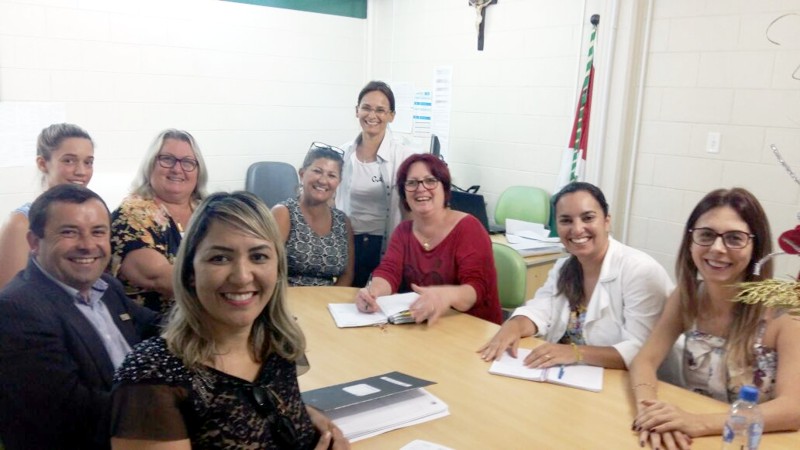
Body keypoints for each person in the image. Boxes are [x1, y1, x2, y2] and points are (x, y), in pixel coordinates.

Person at [110, 192, 349, 450]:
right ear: (191, 272)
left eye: (258, 256)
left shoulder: (276, 341)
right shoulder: (153, 378)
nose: (242, 276)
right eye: (220, 258)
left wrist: (307, 417)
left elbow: (261, 411)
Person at [630, 188, 800, 450]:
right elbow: (645, 359)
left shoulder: (785, 310)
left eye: (735, 238)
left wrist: (699, 422)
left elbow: (792, 409)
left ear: (756, 246)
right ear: (691, 241)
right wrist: (648, 412)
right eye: (706, 235)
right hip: (698, 438)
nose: (717, 248)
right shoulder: (687, 296)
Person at [0, 184, 159, 450]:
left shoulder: (107, 287)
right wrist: (177, 400)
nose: (88, 246)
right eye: (69, 232)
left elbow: (157, 327)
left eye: (98, 232)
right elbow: (75, 413)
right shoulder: (16, 310)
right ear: (34, 242)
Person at [478, 182, 673, 370]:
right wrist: (513, 326)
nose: (577, 229)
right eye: (566, 220)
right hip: (568, 375)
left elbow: (641, 351)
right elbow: (541, 310)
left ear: (606, 221)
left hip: (619, 382)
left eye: (588, 218)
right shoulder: (565, 266)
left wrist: (575, 353)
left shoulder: (640, 271)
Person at [354, 153, 503, 325]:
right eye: (411, 183)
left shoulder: (469, 229)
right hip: (427, 329)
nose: (421, 188)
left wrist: (446, 296)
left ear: (445, 188)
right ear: (404, 193)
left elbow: (477, 289)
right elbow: (389, 271)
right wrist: (373, 293)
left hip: (473, 330)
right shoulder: (403, 231)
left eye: (430, 181)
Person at [110, 129, 208, 315]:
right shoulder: (131, 214)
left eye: (188, 162)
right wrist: (228, 287)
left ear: (198, 171)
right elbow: (158, 277)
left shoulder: (210, 211)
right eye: (167, 159)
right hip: (155, 328)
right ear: (150, 165)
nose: (177, 169)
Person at [336, 81, 417, 287]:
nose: (372, 115)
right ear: (357, 111)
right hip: (349, 244)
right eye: (366, 108)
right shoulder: (343, 153)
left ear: (391, 116)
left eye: (381, 110)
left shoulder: (404, 156)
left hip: (385, 245)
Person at [0, 123, 95, 290]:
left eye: (88, 162)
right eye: (69, 160)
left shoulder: (91, 217)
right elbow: (10, 302)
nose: (81, 171)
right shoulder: (21, 224)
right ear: (43, 164)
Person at [272, 142, 355, 286]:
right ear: (302, 174)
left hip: (327, 303)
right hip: (287, 299)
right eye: (317, 171)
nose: (323, 180)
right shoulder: (283, 213)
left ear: (338, 182)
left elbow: (347, 274)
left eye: (331, 175)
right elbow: (269, 269)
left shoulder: (342, 221)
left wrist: (331, 304)